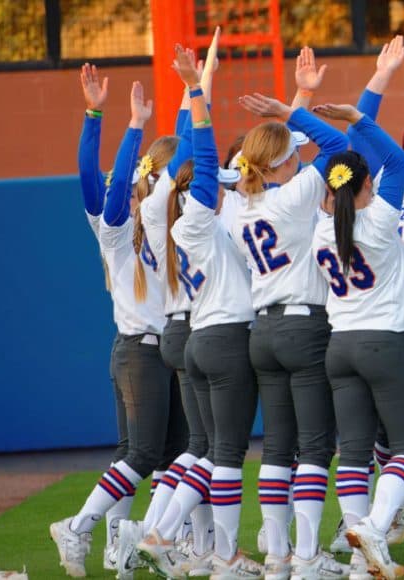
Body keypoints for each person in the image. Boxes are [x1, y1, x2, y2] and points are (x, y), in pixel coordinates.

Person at [136, 45, 261, 578]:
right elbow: (202, 154)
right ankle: (211, 550)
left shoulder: (165, 216)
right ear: (203, 191)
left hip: (192, 337)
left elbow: (190, 156)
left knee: (203, 447)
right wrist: (194, 88)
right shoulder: (207, 220)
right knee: (224, 453)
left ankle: (156, 530)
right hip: (225, 338)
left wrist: (199, 82)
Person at [50, 75, 180, 578]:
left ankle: (121, 550)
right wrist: (114, 120)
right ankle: (78, 526)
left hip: (158, 349)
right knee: (145, 452)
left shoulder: (163, 223)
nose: (118, 192)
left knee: (150, 453)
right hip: (138, 352)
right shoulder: (115, 231)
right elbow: (95, 175)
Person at [229, 46, 351, 580]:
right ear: (283, 157)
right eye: (290, 148)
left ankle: (278, 557)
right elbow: (339, 143)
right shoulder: (297, 193)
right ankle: (305, 557)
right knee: (315, 445)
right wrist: (288, 110)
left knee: (276, 446)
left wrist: (294, 101)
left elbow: (288, 157)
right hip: (305, 325)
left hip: (264, 329)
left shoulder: (240, 205)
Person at [307, 101, 404, 580]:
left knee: (353, 453)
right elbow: (397, 161)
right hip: (385, 342)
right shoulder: (377, 218)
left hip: (340, 347)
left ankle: (361, 560)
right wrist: (356, 118)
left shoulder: (320, 228)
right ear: (365, 185)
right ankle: (374, 528)